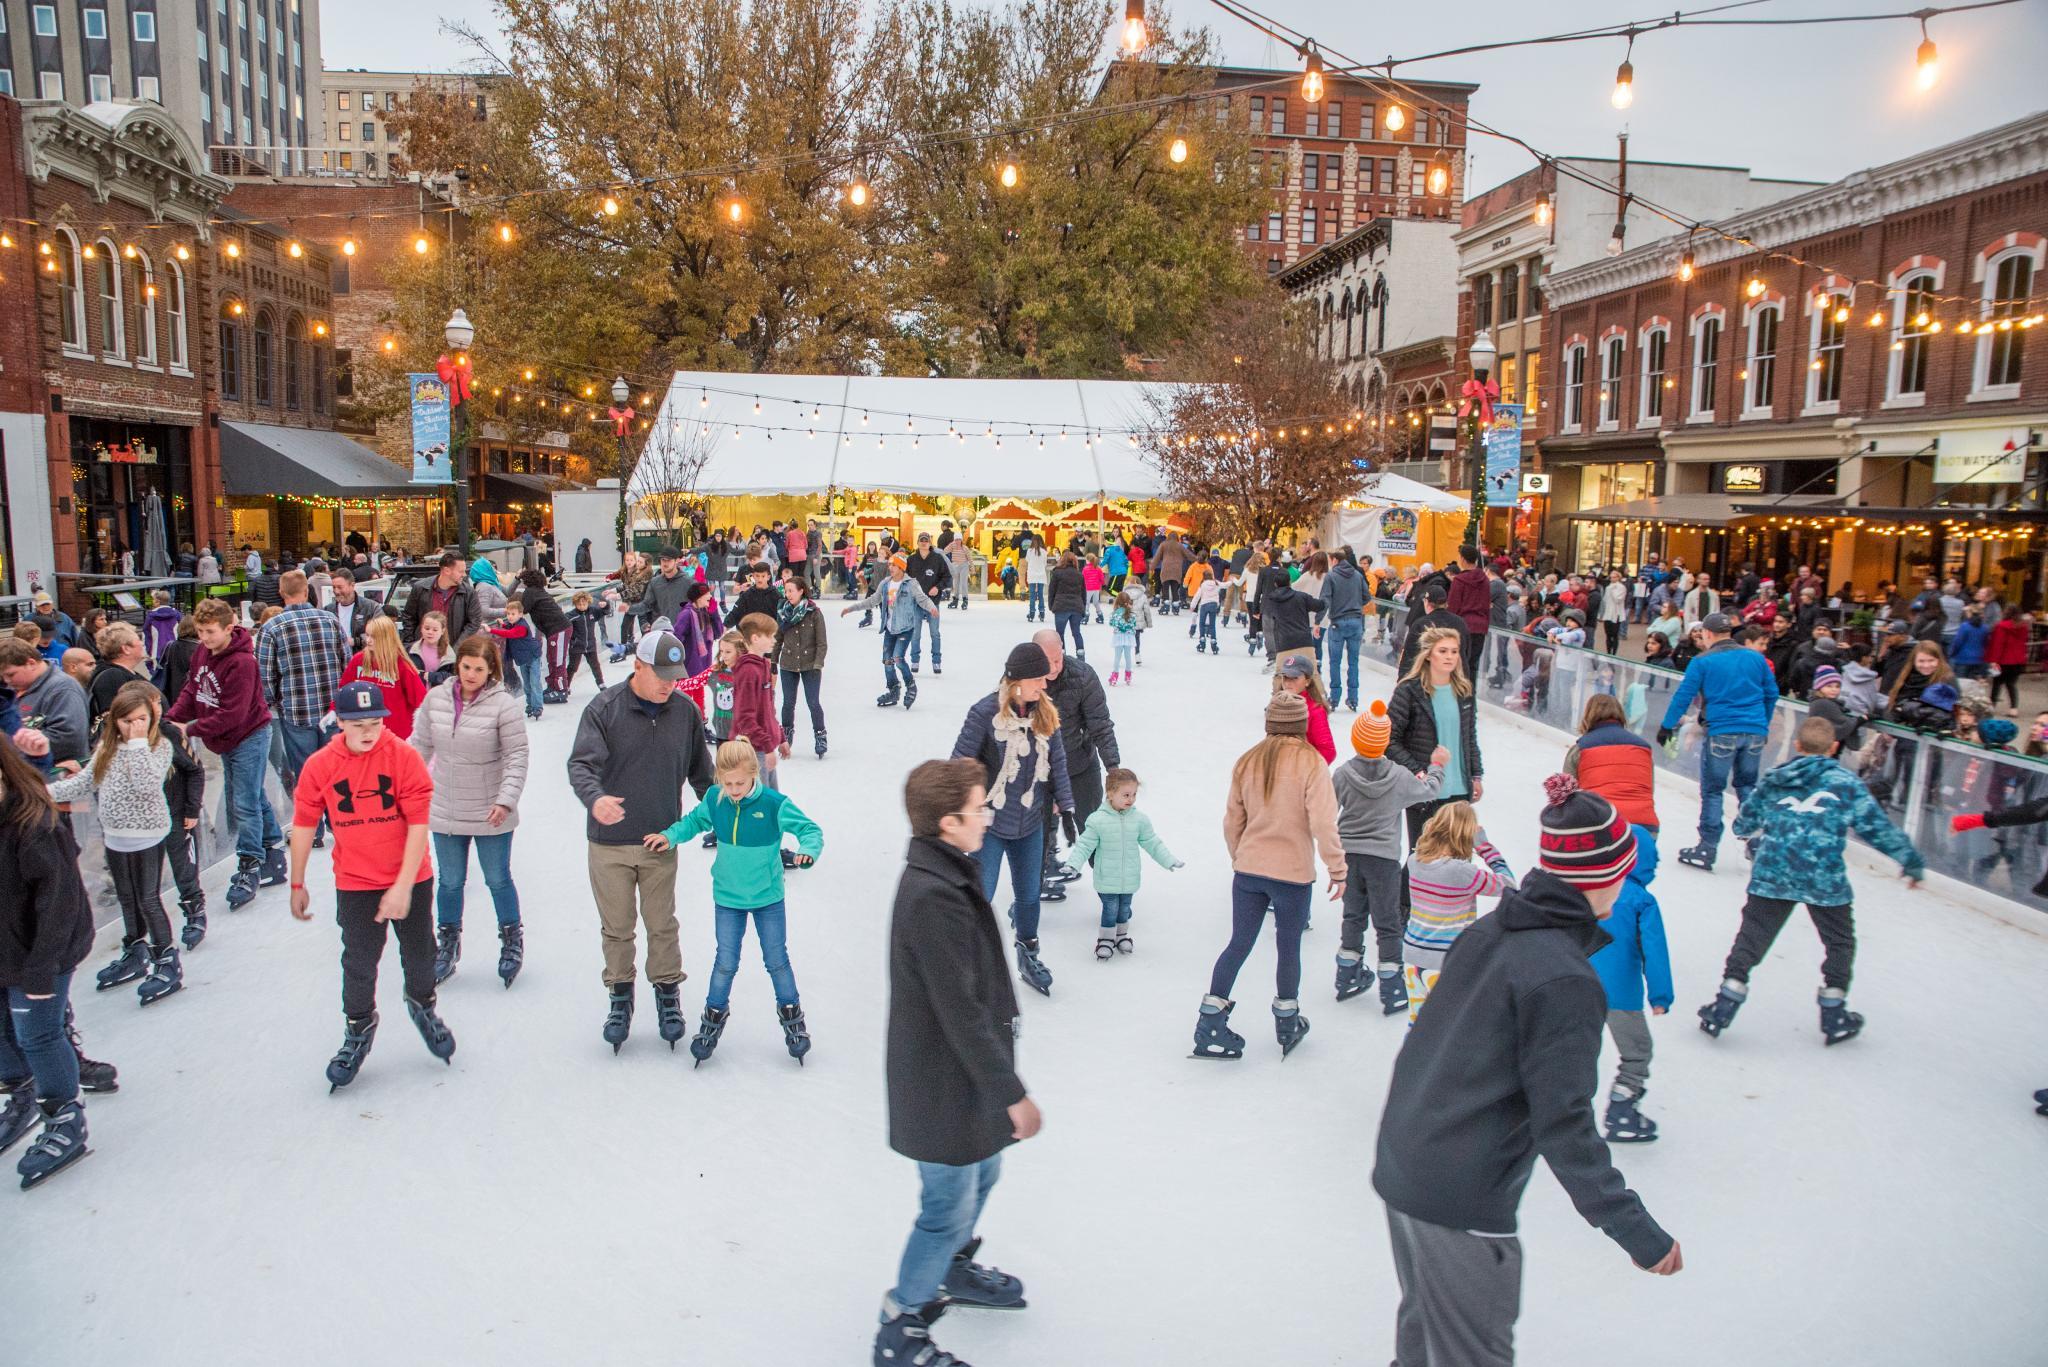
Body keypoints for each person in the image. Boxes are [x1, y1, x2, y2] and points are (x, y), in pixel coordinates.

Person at [1375, 775, 1680, 1364]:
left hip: (1404, 1162)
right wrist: (1633, 1229)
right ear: (1606, 876)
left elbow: (1420, 1047)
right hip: (1460, 1196)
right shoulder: (1563, 978)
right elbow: (1564, 1124)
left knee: (1424, 1340)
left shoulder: (1487, 932)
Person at [873, 756, 1042, 1366]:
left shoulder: (946, 871)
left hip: (962, 1074)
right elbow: (959, 1009)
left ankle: (951, 1268)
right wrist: (1010, 1091)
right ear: (948, 822)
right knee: (946, 1206)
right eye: (979, 809)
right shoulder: (932, 897)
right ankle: (901, 1326)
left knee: (985, 1174)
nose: (988, 815)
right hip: (942, 1080)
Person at [1699, 716, 1925, 1046]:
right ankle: (1833, 1012)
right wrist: (1911, 860)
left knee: (1752, 938)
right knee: (1840, 942)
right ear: (1834, 747)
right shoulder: (1845, 784)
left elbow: (1745, 822)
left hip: (1774, 873)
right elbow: (1876, 827)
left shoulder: (1776, 779)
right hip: (1824, 878)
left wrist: (1747, 829)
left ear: (1798, 745)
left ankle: (1724, 1003)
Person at [287, 680, 453, 1090]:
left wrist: (401, 886)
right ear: (339, 721)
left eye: (375, 721)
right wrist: (297, 880)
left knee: (420, 955)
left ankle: (422, 1004)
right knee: (358, 962)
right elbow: (305, 824)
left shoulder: (403, 757)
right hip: (356, 881)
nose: (368, 731)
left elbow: (418, 826)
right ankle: (358, 1028)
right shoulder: (321, 766)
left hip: (410, 876)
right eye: (358, 723)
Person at [567, 628, 716, 1053]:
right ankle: (620, 998)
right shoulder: (605, 709)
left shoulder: (685, 711)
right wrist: (595, 800)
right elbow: (581, 764)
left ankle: (668, 995)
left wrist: (727, 817)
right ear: (637, 665)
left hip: (659, 841)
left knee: (662, 925)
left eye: (675, 674)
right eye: (661, 674)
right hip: (609, 844)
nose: (670, 683)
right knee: (617, 928)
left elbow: (702, 776)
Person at [644, 741, 822, 1065]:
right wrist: (670, 836)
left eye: (740, 783)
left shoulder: (772, 803)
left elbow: (810, 830)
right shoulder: (716, 799)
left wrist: (808, 851)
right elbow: (693, 822)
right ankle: (712, 1018)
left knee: (776, 960)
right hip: (728, 898)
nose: (734, 790)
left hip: (768, 897)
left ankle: (792, 1017)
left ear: (754, 775)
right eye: (728, 784)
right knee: (725, 961)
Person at [1192, 692, 1344, 1059]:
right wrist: (1337, 868)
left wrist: (1240, 856)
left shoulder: (1247, 761)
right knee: (1288, 947)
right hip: (1292, 874)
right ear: (1301, 726)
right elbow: (1324, 822)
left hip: (1249, 870)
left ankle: (1210, 1020)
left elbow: (1233, 821)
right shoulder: (1312, 763)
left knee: (1239, 943)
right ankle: (1287, 1018)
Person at [0, 733, 98, 1187]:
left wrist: (41, 969)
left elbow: (60, 904)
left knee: (37, 1034)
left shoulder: (33, 822)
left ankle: (65, 1115)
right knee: (4, 1034)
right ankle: (20, 1093)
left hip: (42, 951)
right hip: (7, 952)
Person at [49, 683, 186, 1005]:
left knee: (148, 898)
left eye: (140, 719)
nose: (133, 726)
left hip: (147, 835)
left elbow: (147, 785)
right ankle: (135, 949)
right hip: (115, 835)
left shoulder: (158, 747)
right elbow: (85, 781)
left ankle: (166, 958)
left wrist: (138, 743)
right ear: (115, 721)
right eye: (126, 721)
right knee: (128, 898)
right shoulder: (107, 749)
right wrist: (42, 793)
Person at [951, 643, 1075, 996]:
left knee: (1029, 896)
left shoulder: (1045, 714)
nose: (1044, 686)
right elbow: (959, 764)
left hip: (1030, 822)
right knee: (981, 894)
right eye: (1038, 679)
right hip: (989, 826)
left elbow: (1059, 762)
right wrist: (963, 813)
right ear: (1017, 680)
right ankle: (968, 961)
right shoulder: (985, 713)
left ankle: (1028, 952)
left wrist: (1065, 807)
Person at [410, 634, 530, 989]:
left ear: (491, 670)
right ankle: (447, 943)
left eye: (479, 669)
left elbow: (517, 756)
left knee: (497, 878)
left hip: (491, 807)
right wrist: (404, 789)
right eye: (466, 667)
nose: (471, 675)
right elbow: (419, 746)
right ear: (457, 665)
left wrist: (506, 799)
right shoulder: (436, 700)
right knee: (449, 881)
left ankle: (511, 939)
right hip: (446, 805)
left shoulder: (503, 705)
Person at [167, 599, 286, 908]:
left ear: (228, 628)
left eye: (209, 631)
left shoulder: (243, 663)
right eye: (200, 631)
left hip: (249, 736)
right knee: (253, 796)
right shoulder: (202, 653)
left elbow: (233, 714)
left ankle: (250, 864)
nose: (204, 638)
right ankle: (274, 853)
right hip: (224, 740)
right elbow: (193, 691)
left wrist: (188, 729)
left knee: (244, 802)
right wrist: (172, 719)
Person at [1333, 700, 1446, 1012]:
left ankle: (1347, 972)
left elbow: (1327, 810)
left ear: (1356, 740)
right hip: (1384, 860)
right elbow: (1430, 791)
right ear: (1383, 743)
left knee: (1353, 915)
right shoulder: (1398, 776)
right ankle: (1392, 984)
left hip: (1350, 857)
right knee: (1388, 922)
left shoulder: (1342, 775)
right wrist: (1437, 766)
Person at [1655, 612, 1776, 872]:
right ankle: (1755, 842)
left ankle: (1707, 847)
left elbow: (1683, 696)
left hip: (1722, 730)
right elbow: (1771, 694)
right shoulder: (1756, 658)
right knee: (1747, 786)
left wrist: (1667, 726)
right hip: (1754, 731)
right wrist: (1762, 724)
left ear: (1708, 634)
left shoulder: (1702, 661)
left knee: (1712, 789)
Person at [1589, 828, 1672, 1144]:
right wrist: (1661, 995)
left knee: (1572, 1048)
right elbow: (1655, 950)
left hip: (1576, 984)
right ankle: (1622, 1109)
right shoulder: (1641, 900)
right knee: (1637, 1052)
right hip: (1620, 993)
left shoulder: (1591, 887)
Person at [1401, 800, 1514, 1024]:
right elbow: (1509, 885)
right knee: (1449, 1032)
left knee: (1419, 1029)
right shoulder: (1462, 872)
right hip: (1446, 962)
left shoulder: (1415, 862)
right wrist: (1485, 847)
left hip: (1413, 959)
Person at [1064, 766, 1180, 960]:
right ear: (1110, 793)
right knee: (1110, 909)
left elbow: (1152, 842)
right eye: (1126, 794)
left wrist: (1168, 860)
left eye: (1133, 794)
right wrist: (1073, 864)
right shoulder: (1097, 820)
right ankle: (1106, 940)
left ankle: (1121, 936)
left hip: (1129, 877)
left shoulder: (1139, 820)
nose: (1131, 799)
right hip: (1107, 876)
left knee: (1124, 908)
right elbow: (1084, 845)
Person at [842, 553, 940, 711]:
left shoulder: (911, 584)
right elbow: (873, 600)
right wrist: (851, 608)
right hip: (889, 628)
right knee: (887, 661)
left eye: (894, 565)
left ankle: (911, 686)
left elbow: (923, 599)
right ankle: (894, 689)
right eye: (889, 565)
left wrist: (932, 608)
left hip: (905, 628)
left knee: (898, 658)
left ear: (902, 567)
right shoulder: (886, 584)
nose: (890, 568)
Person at [1562, 693, 1658, 832]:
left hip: (1601, 824)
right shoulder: (1643, 749)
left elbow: (1567, 796)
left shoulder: (1580, 749)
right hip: (1645, 827)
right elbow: (1649, 790)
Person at [341, 616, 428, 741]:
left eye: (374, 637)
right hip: (365, 733)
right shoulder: (358, 660)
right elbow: (344, 690)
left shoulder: (401, 664)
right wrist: (335, 710)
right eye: (367, 635)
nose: (369, 640)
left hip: (396, 734)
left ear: (386, 638)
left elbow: (421, 700)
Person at [774, 576, 828, 760]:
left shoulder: (814, 612)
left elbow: (822, 643)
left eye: (791, 590)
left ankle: (820, 735)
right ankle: (786, 734)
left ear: (801, 591)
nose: (788, 594)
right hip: (788, 664)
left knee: (813, 702)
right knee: (788, 703)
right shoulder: (782, 612)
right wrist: (773, 662)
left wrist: (818, 663)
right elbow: (778, 639)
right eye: (786, 591)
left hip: (810, 665)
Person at [1319, 549, 1369, 710]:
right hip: (1356, 622)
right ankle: (1353, 698)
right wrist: (1355, 603)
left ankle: (1334, 697)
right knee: (1353, 662)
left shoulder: (1331, 576)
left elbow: (1325, 599)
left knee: (1335, 661)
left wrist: (1317, 621)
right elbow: (1367, 596)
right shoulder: (1357, 575)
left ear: (1334, 560)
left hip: (1338, 623)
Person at [403, 552, 483, 645]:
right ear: (447, 571)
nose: (464, 575)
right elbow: (409, 617)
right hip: (422, 651)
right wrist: (411, 645)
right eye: (461, 571)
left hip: (452, 651)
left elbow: (474, 623)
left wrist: (456, 650)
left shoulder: (469, 593)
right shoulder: (420, 588)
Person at [488, 596, 546, 721]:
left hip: (532, 656)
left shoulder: (522, 626)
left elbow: (511, 633)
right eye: (508, 614)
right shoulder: (514, 624)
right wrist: (502, 624)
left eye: (513, 614)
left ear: (520, 614)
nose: (510, 616)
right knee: (527, 684)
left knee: (534, 682)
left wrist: (491, 629)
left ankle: (538, 706)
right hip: (522, 658)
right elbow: (509, 628)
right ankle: (530, 705)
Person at [1395, 582, 1468, 679]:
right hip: (1453, 678)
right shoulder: (1460, 622)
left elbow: (1410, 655)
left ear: (1426, 602)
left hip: (1426, 679)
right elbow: (1465, 652)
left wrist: (1402, 679)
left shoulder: (1421, 624)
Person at [1275, 654, 1337, 765]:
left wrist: (1305, 769)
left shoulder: (1315, 711)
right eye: (1285, 676)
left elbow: (1328, 751)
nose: (1288, 682)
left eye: (1295, 677)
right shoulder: (1277, 705)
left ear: (1307, 681)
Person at [86, 622, 151, 725]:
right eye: (138, 639)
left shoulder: (122, 673)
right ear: (126, 649)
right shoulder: (112, 677)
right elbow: (117, 719)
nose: (142, 643)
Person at [1986, 610, 2031, 716]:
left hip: (2004, 659)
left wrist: (1994, 660)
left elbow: (1998, 644)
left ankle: (1992, 706)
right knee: (2011, 684)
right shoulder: (2023, 627)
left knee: (1997, 684)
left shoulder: (2001, 627)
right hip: (2018, 660)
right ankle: (2013, 708)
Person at [563, 591, 609, 691]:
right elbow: (562, 622)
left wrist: (606, 605)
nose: (582, 606)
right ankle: (566, 686)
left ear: (588, 603)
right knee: (573, 666)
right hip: (576, 646)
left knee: (595, 665)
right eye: (579, 604)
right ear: (575, 604)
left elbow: (605, 611)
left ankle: (601, 683)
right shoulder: (572, 615)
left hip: (591, 645)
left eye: (584, 604)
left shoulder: (593, 611)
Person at [1048, 550, 1088, 657]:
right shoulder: (1079, 575)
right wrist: (1083, 608)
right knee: (1076, 633)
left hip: (1061, 606)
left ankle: (1062, 657)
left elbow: (1052, 590)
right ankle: (1081, 656)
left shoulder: (1057, 573)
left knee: (1060, 634)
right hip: (1076, 607)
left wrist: (1051, 605)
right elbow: (1083, 593)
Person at [1024, 539, 1049, 622]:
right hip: (1041, 575)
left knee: (1032, 595)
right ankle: (1042, 613)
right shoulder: (1044, 552)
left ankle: (1031, 613)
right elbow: (1045, 564)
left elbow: (1027, 561)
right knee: (1040, 595)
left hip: (1032, 575)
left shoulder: (1029, 551)